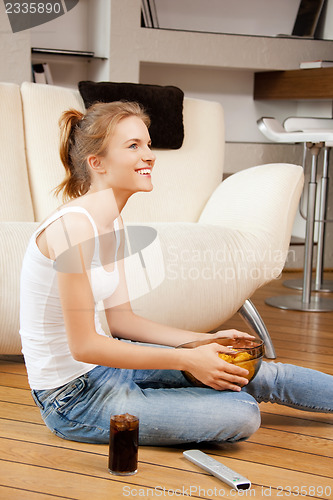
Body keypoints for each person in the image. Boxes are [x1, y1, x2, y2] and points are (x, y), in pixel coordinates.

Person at [19, 101, 333, 445]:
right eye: (133, 146)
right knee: (242, 411)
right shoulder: (74, 229)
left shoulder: (111, 220)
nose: (149, 155)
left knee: (252, 370)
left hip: (108, 366)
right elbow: (83, 346)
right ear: (98, 163)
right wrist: (188, 359)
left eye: (148, 144)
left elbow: (123, 321)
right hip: (73, 398)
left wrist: (200, 342)